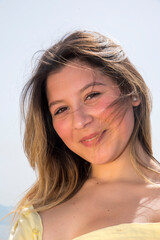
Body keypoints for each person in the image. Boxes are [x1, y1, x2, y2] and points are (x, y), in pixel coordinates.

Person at [9, 30, 160, 240]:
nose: (80, 121)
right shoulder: (36, 215)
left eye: (92, 95)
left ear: (132, 90)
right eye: (61, 110)